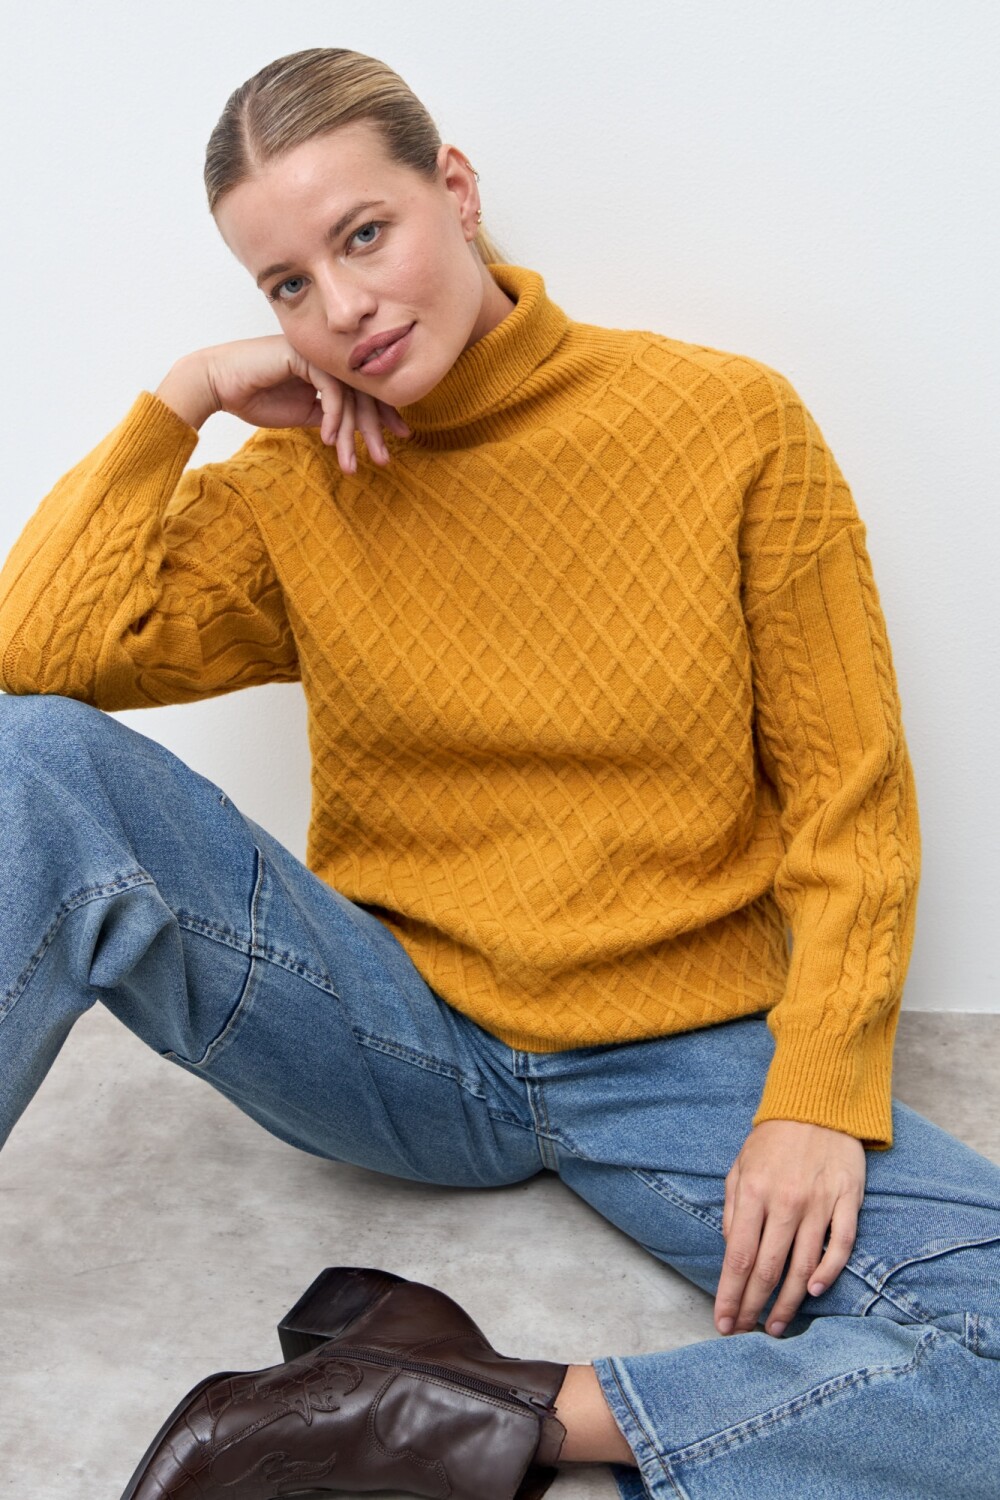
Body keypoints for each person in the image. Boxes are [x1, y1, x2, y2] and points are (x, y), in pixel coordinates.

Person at [0, 44, 996, 1500]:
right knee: (35, 762)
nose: (342, 307)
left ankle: (464, 1409)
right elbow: (34, 656)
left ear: (454, 191)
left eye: (364, 235)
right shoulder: (297, 483)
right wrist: (185, 397)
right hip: (393, 1035)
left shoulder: (727, 424)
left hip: (676, 1059)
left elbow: (852, 794)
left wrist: (818, 1092)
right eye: (287, 285)